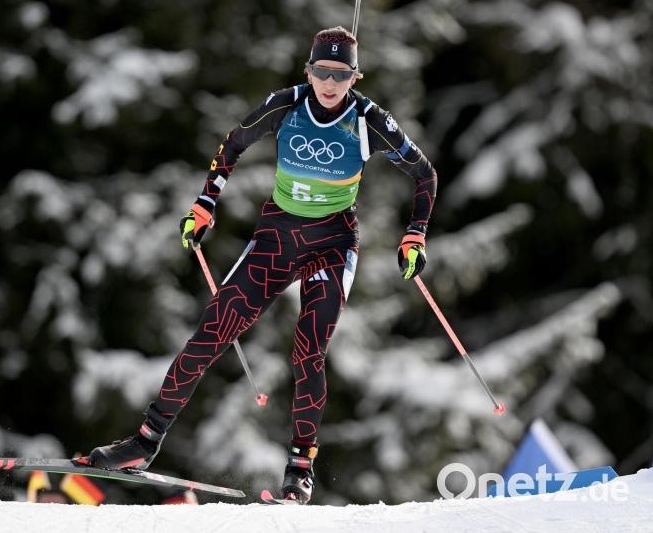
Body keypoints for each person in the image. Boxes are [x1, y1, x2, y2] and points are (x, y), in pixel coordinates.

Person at [78, 26, 438, 504]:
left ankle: (299, 470)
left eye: (341, 74)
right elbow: (232, 145)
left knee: (308, 351)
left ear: (355, 76)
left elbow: (424, 174)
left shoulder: (369, 120)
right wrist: (206, 204)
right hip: (276, 239)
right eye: (322, 72)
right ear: (308, 71)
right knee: (211, 333)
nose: (330, 84)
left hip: (332, 245)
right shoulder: (285, 104)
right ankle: (144, 442)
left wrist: (414, 234)